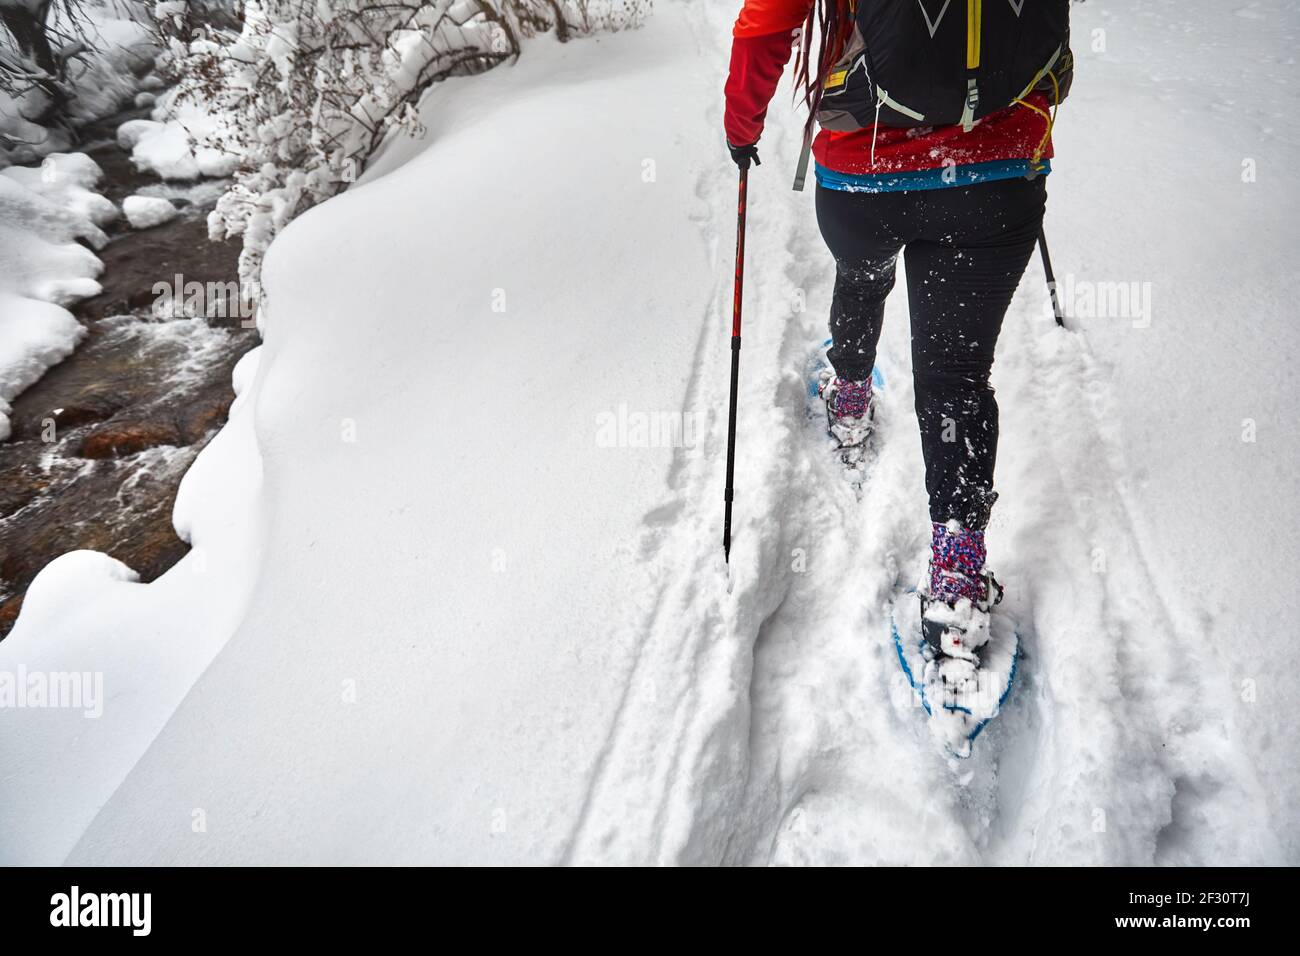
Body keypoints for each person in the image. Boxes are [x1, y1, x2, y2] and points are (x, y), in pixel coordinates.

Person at [723, 0, 1071, 657]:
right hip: (997, 175)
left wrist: (742, 127)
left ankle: (850, 400)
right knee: (956, 377)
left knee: (862, 279)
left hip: (865, 172)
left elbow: (766, 23)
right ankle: (957, 583)